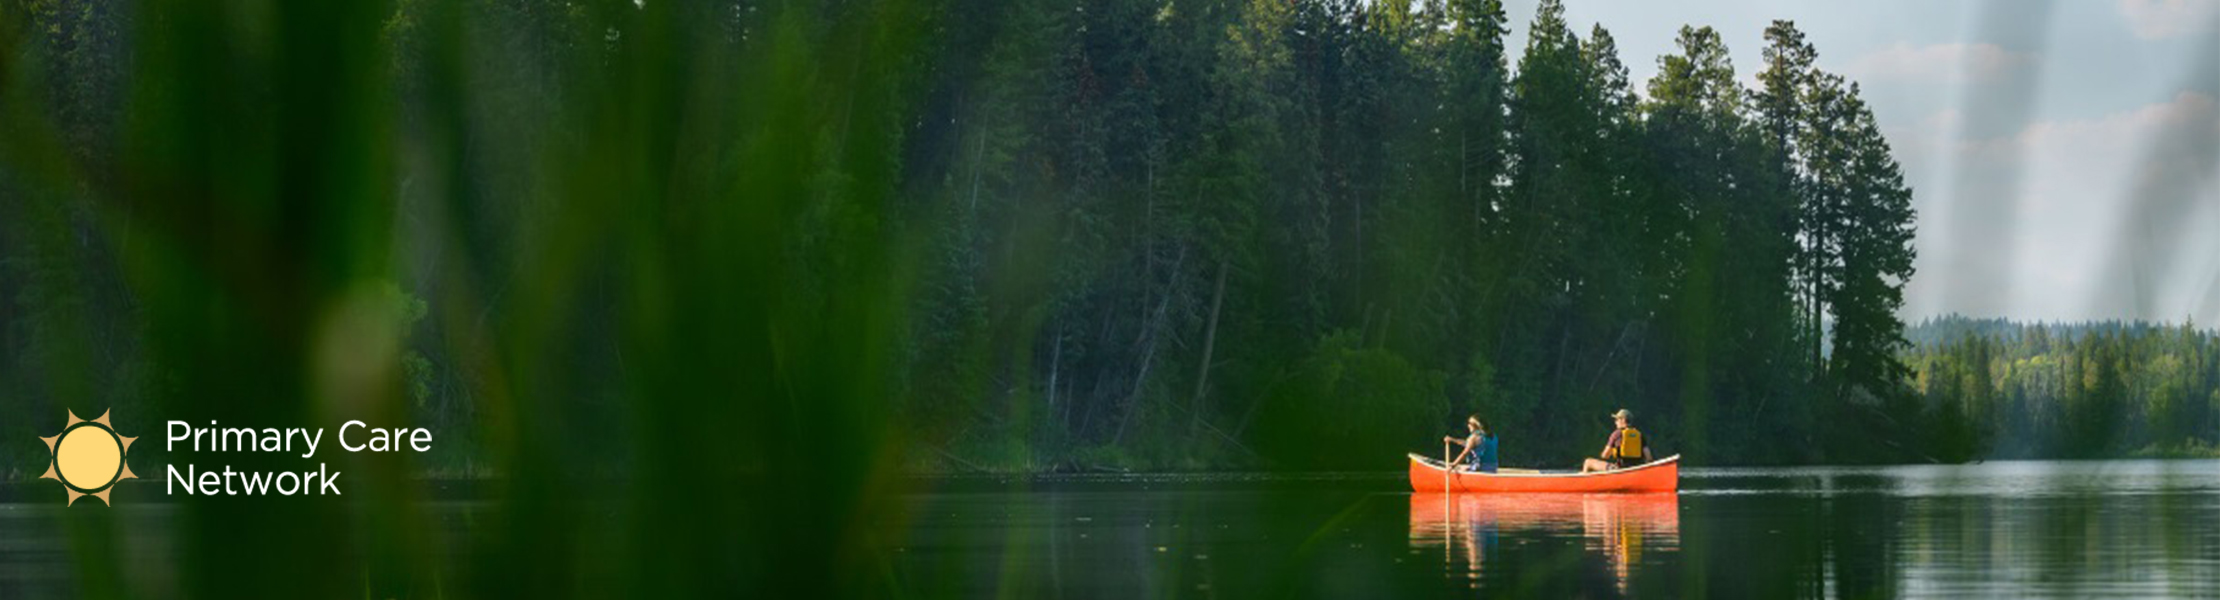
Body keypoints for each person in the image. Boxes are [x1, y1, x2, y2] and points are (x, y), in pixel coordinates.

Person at [1582, 409, 1651, 473]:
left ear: (1623, 420)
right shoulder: (1639, 435)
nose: (1615, 422)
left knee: (1588, 462)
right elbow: (1649, 457)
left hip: (1619, 469)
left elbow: (1605, 455)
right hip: (1636, 469)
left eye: (1616, 420)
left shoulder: (1616, 434)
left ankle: (1585, 482)